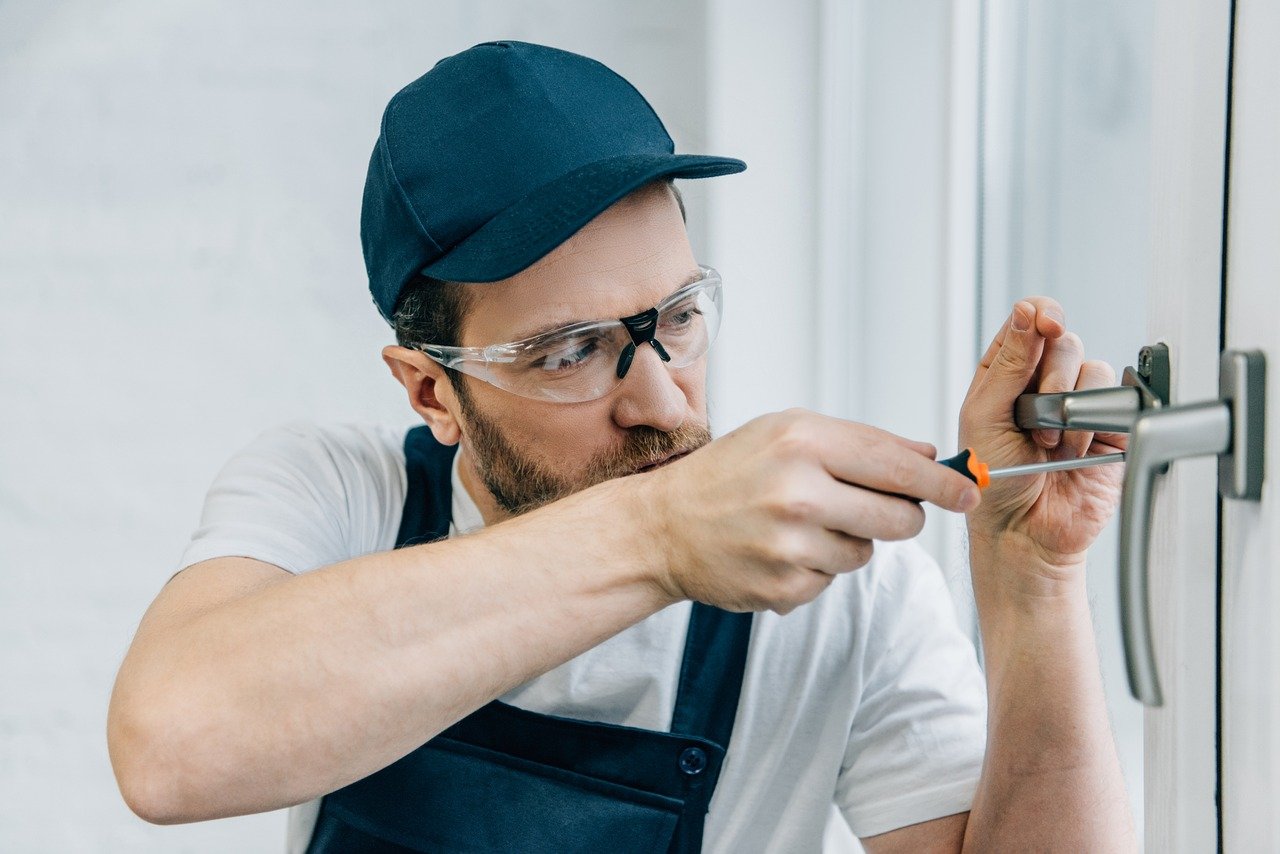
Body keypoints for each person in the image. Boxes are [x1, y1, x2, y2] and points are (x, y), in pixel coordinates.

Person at [107, 41, 1136, 852]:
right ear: (431, 389)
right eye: (568, 351)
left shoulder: (846, 601)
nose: (657, 398)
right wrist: (659, 532)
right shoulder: (338, 496)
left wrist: (1030, 580)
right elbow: (170, 748)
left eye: (676, 317)